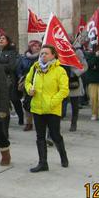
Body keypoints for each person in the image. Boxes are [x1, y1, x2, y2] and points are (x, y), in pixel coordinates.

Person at [25, 44, 69, 173]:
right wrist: (29, 90)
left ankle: (63, 156)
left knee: (55, 136)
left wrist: (52, 102)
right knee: (40, 137)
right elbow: (27, 81)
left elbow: (64, 90)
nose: (43, 55)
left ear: (53, 55)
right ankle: (42, 163)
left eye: (46, 53)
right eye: (41, 53)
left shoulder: (59, 70)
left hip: (52, 109)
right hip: (37, 108)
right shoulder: (36, 67)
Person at [0, 35, 23, 126]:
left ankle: (21, 117)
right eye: (0, 38)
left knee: (14, 99)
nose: (1, 40)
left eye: (3, 39)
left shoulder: (11, 52)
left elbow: (11, 66)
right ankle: (3, 120)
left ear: (7, 41)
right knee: (2, 100)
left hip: (9, 79)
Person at [17, 40, 42, 131]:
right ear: (30, 47)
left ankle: (40, 122)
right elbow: (19, 69)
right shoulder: (24, 58)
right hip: (27, 83)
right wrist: (22, 78)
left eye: (39, 46)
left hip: (39, 83)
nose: (37, 47)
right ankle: (29, 123)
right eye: (35, 46)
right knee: (27, 103)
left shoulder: (42, 57)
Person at [63, 45, 87, 132]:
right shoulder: (59, 51)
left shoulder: (77, 52)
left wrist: (76, 73)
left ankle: (74, 122)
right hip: (61, 79)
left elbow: (84, 66)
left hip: (73, 81)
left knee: (74, 104)